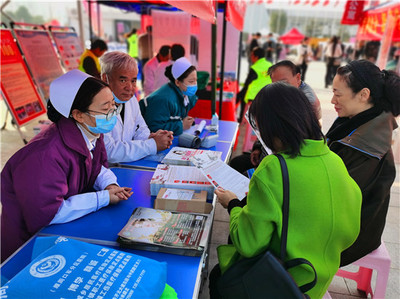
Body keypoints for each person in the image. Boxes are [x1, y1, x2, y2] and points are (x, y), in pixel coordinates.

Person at [209, 82, 362, 299]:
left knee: (219, 276)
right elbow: (350, 230)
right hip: (316, 283)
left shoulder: (274, 167)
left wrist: (233, 204)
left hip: (277, 282)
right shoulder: (334, 160)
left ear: (271, 127)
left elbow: (248, 243)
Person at [1, 70, 133, 262]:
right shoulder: (43, 156)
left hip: (63, 236)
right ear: (78, 115)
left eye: (114, 105)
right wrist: (102, 198)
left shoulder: (91, 131)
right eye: (106, 109)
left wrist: (109, 184)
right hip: (29, 250)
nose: (113, 113)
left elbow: (96, 167)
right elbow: (48, 213)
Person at [326, 60, 400, 266]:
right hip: (347, 217)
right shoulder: (361, 118)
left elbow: (334, 194)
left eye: (338, 94)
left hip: (353, 234)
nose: (333, 100)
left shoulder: (367, 143)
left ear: (364, 95)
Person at [230, 60, 321, 174]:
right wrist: (258, 147)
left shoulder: (305, 103)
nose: (279, 89)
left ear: (298, 78)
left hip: (287, 164)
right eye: (274, 84)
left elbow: (289, 147)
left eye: (284, 83)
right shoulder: (281, 95)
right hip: (270, 155)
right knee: (236, 163)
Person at [100, 51, 173, 163]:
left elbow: (141, 129)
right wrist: (152, 144)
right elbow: (109, 152)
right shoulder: (97, 107)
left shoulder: (132, 101)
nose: (129, 87)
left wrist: (151, 138)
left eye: (133, 81)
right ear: (106, 79)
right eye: (123, 80)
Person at [139, 57, 197, 135]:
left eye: (196, 80)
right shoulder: (163, 99)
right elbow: (153, 127)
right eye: (191, 81)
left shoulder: (184, 95)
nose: (195, 85)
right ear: (177, 82)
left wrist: (184, 120)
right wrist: (181, 125)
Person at [236, 47, 272, 123]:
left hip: (254, 96)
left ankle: (242, 119)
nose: (250, 57)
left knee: (242, 96)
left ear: (256, 57)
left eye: (251, 55)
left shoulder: (255, 68)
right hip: (267, 94)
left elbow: (247, 83)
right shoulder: (270, 65)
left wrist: (239, 94)